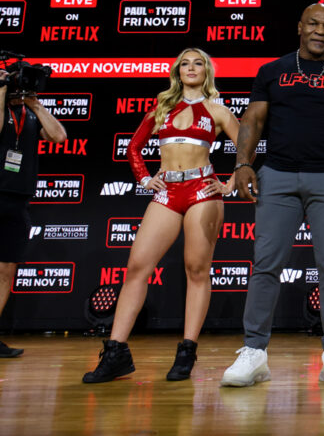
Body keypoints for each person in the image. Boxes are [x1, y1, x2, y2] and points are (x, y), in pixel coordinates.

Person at [220, 3, 324, 388]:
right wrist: (243, 164)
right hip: (277, 174)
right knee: (266, 263)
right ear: (299, 27)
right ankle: (254, 351)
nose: (320, 31)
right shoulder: (272, 71)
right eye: (313, 23)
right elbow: (253, 120)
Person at [83, 48, 239, 383]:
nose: (192, 68)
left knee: (196, 269)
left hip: (201, 190)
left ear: (207, 71)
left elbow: (248, 147)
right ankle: (115, 352)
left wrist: (232, 183)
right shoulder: (162, 107)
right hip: (167, 191)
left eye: (199, 63)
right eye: (186, 63)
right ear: (177, 71)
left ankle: (186, 352)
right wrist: (143, 178)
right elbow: (133, 147)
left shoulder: (218, 110)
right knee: (137, 267)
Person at [0, 66, 67, 358]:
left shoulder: (28, 115)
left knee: (5, 271)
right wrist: (1, 90)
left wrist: (36, 104)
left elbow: (59, 136)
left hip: (17, 200)